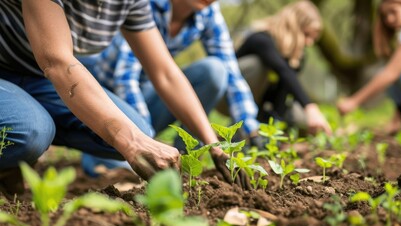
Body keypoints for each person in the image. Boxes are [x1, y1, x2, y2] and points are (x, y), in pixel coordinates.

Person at [0, 0, 249, 195]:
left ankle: (22, 150)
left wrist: (215, 146)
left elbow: (165, 73)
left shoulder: (130, 2)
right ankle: (20, 148)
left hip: (42, 80)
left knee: (139, 128)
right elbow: (56, 61)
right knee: (30, 130)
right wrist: (131, 143)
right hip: (14, 72)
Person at [79, 0, 264, 177]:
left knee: (214, 71)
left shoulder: (208, 14)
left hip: (149, 93)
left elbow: (231, 73)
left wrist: (250, 129)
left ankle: (185, 159)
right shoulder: (144, 4)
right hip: (108, 102)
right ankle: (104, 151)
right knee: (117, 169)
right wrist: (145, 142)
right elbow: (125, 79)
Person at [234, 0, 332, 135]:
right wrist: (310, 107)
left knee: (300, 116)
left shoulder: (297, 57)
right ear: (293, 26)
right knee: (257, 65)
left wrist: (274, 130)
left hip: (261, 105)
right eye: (306, 34)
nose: (309, 43)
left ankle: (263, 131)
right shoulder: (261, 39)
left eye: (313, 39)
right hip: (231, 98)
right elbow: (283, 70)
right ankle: (241, 128)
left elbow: (285, 89)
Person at [337, 0, 401, 133]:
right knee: (395, 79)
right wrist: (396, 120)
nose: (389, 19)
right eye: (385, 16)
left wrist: (354, 101)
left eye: (393, 11)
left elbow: (393, 73)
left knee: (397, 74)